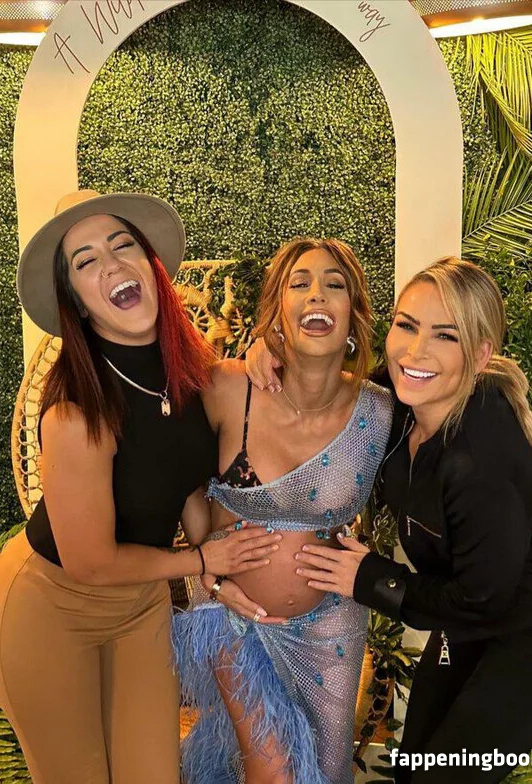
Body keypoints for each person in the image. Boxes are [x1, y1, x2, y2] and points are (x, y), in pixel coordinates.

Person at [0, 190, 278, 784]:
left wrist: (271, 345)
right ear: (76, 301)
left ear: (150, 265)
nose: (112, 264)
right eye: (86, 260)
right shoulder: (74, 413)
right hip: (49, 608)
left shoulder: (192, 373)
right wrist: (201, 560)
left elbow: (188, 487)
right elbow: (90, 562)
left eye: (123, 245)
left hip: (139, 603)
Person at [283, 257, 532, 783]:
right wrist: (269, 355)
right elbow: (325, 387)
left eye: (445, 336)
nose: (415, 351)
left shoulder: (478, 459)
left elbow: (483, 599)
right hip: (468, 614)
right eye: (406, 325)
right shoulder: (404, 399)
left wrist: (372, 579)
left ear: (479, 355)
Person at [172, 238, 394, 784]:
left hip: (333, 628)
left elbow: (455, 435)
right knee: (274, 771)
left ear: (354, 317)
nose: (317, 293)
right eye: (300, 283)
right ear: (278, 311)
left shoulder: (381, 409)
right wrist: (208, 571)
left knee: (326, 771)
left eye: (334, 284)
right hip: (232, 617)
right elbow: (175, 478)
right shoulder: (228, 387)